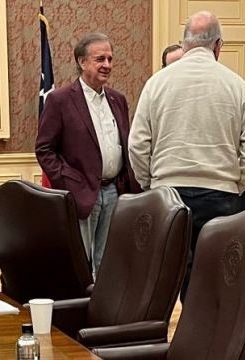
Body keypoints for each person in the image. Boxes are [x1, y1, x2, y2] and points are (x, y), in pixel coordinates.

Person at [129, 11, 245, 300]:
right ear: (218, 46)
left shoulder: (157, 83)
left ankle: (159, 340)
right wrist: (237, 184)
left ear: (184, 44)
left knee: (162, 278)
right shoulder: (237, 85)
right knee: (214, 281)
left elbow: (137, 145)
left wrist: (151, 183)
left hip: (167, 193)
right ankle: (206, 340)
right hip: (221, 195)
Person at [36, 32, 141, 275]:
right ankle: (82, 309)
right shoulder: (60, 100)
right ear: (82, 63)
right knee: (81, 262)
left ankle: (104, 309)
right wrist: (67, 181)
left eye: (110, 59)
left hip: (115, 191)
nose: (107, 65)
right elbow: (44, 148)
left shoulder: (118, 99)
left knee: (108, 262)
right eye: (100, 59)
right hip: (81, 192)